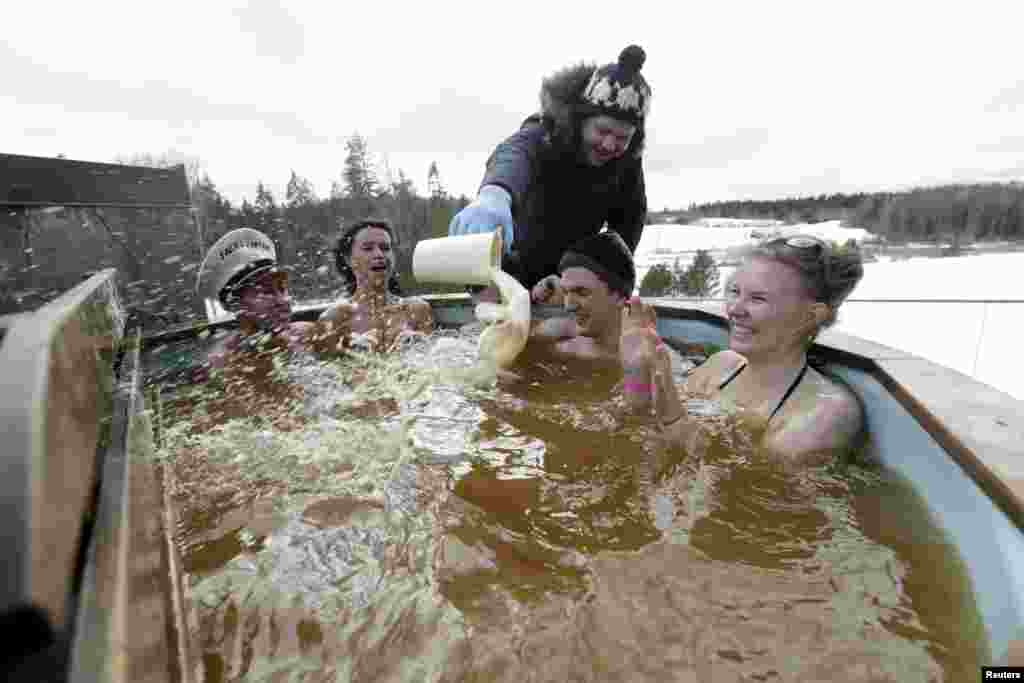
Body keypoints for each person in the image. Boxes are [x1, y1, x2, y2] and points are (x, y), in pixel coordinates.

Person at [631, 235, 866, 464]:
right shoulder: (721, 366)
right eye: (734, 292)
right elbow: (643, 425)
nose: (735, 309)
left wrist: (675, 423)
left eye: (757, 298)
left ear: (810, 316)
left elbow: (754, 488)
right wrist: (637, 374)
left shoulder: (825, 411)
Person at [449, 45, 652, 294]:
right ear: (580, 121)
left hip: (569, 277)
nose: (610, 144)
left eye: (623, 137)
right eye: (603, 130)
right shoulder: (546, 133)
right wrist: (495, 193)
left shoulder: (627, 160)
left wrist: (606, 277)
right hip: (514, 266)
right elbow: (515, 153)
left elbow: (629, 222)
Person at [318, 218, 433, 352]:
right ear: (348, 259)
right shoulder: (336, 318)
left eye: (385, 248)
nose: (379, 254)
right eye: (368, 248)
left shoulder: (416, 310)